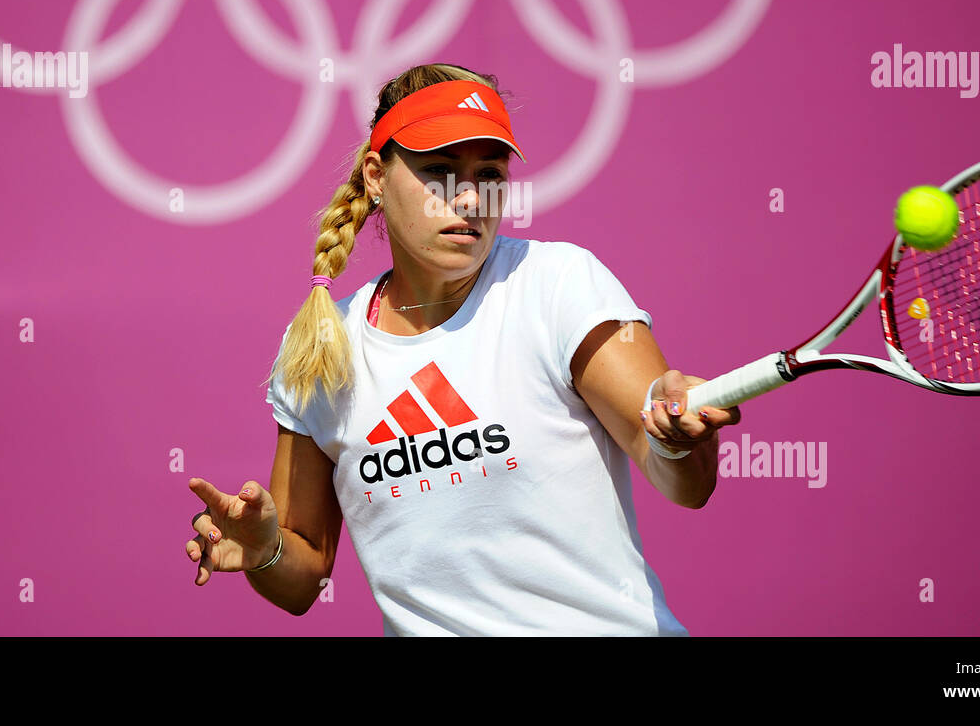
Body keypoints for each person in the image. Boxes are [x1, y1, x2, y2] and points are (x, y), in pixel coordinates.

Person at [185, 63, 741, 635]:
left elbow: (684, 483)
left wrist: (678, 442)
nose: (470, 197)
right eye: (440, 171)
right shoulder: (322, 344)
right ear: (376, 176)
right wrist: (263, 548)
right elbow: (302, 578)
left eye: (490, 172)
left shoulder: (558, 283)